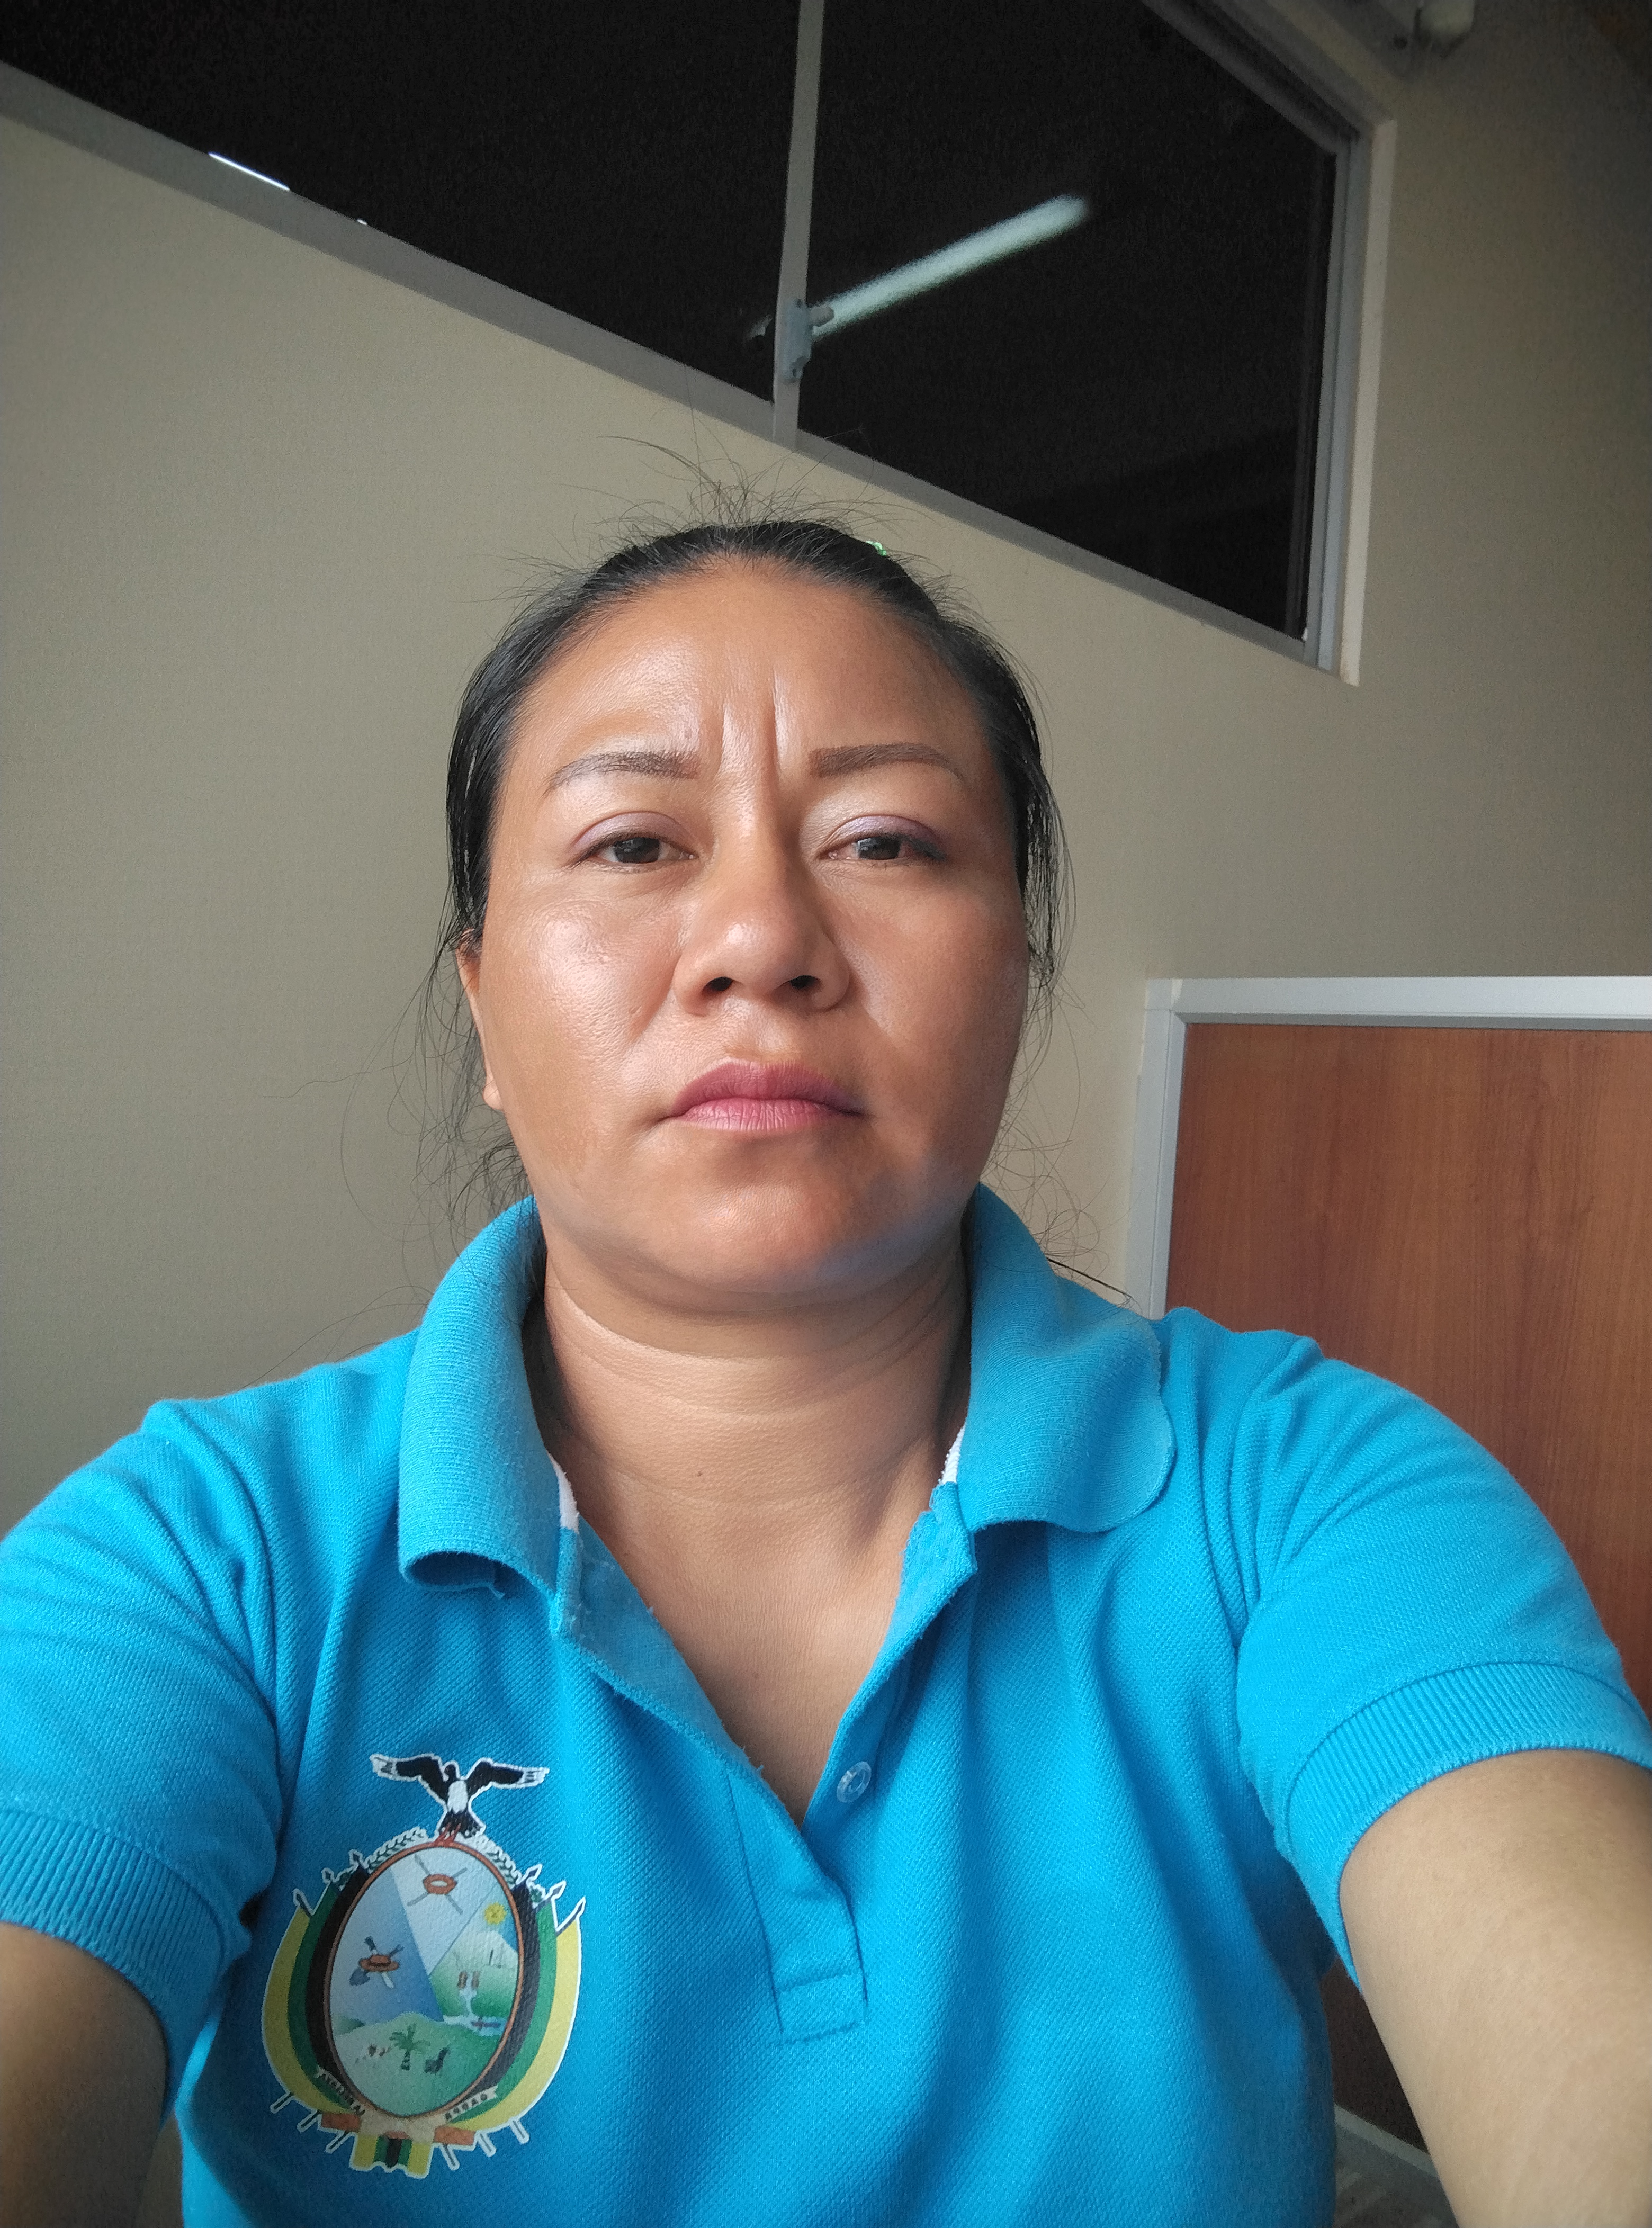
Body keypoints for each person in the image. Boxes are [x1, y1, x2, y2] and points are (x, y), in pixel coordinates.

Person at [1, 516, 1648, 2228]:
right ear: (482, 1006)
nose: (760, 939)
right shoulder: (197, 1561)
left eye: (885, 840)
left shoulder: (1310, 1496)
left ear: (1015, 977)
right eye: (634, 843)